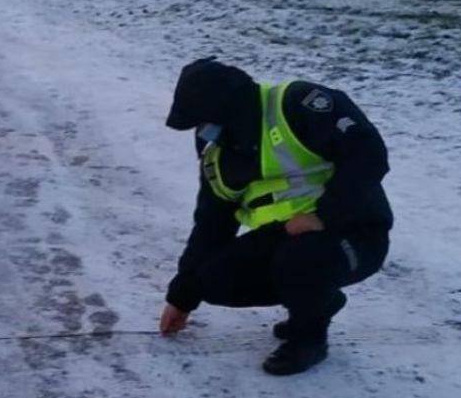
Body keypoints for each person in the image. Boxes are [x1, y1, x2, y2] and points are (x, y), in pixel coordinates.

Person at [159, 58, 394, 375]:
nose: (202, 131)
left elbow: (368, 154)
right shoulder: (216, 152)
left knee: (301, 258)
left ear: (228, 109)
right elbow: (211, 226)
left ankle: (308, 339)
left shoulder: (298, 104)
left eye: (204, 120)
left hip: (355, 234)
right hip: (289, 238)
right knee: (210, 280)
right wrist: (182, 299)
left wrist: (324, 215)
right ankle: (316, 303)